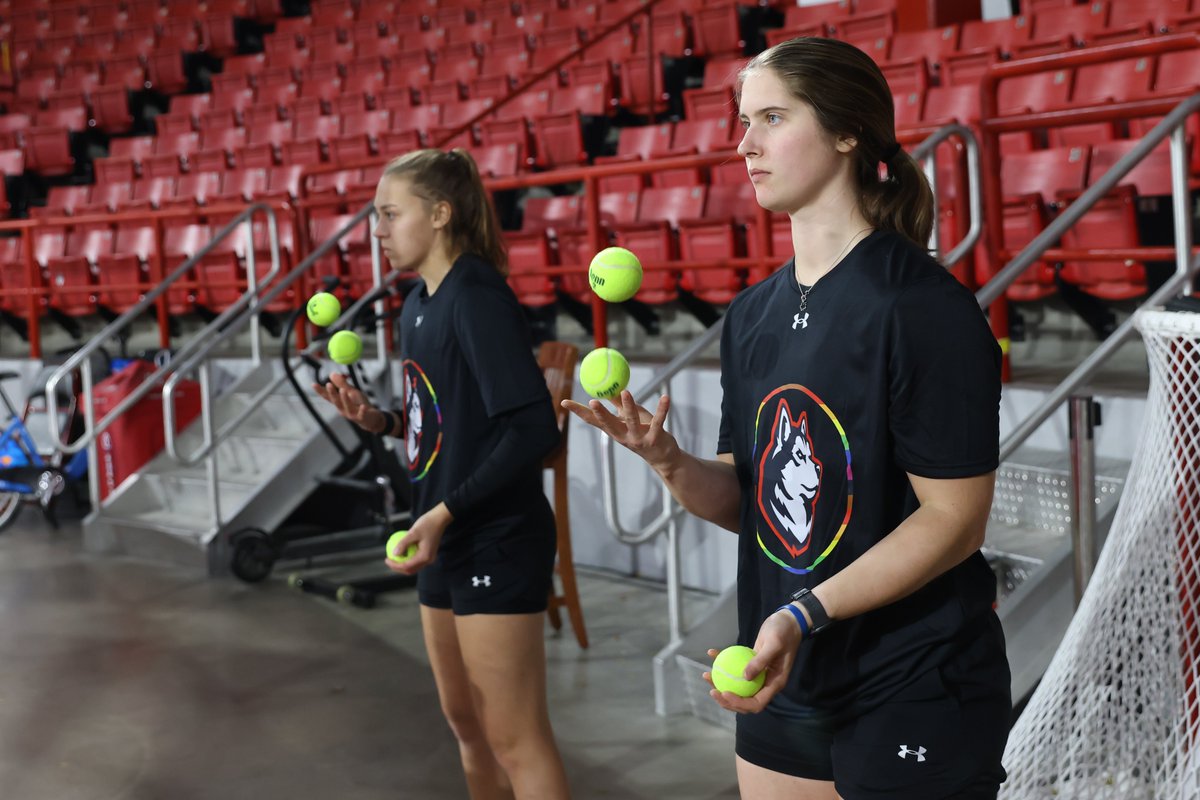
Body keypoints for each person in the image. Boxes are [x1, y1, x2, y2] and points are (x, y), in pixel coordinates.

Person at [564, 37, 1010, 800]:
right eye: (744, 121)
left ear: (847, 133)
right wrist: (670, 462)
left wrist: (804, 613)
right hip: (787, 667)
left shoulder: (922, 308)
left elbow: (953, 521)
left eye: (772, 118)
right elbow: (760, 507)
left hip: (912, 675)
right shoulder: (751, 315)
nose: (746, 145)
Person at [313, 148, 572, 800]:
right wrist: (380, 422)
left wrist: (442, 513)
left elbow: (533, 431)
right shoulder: (418, 304)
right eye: (376, 216)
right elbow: (447, 420)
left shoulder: (476, 298)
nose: (378, 230)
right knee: (467, 726)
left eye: (390, 214)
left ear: (440, 213)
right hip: (442, 535)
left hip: (496, 536)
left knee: (516, 737)